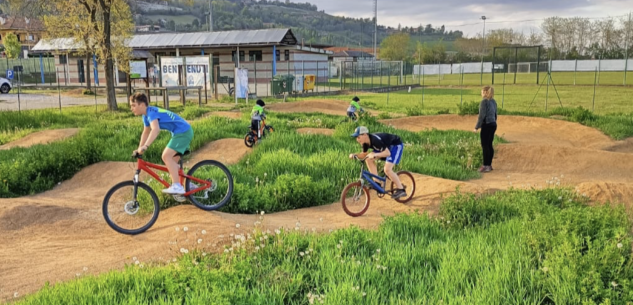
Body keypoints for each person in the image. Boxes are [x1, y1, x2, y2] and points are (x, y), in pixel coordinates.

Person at [129, 92, 194, 194]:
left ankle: (177, 186)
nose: (131, 108)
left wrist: (146, 146)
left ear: (142, 105)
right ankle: (188, 184)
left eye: (133, 105)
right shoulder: (145, 116)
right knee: (172, 163)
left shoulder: (151, 113)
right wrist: (139, 148)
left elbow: (155, 129)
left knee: (166, 156)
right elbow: (146, 132)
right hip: (179, 132)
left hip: (183, 132)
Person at [349, 126, 407, 199]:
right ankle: (377, 183)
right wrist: (354, 155)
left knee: (387, 169)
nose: (357, 140)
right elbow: (364, 154)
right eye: (356, 138)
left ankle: (401, 189)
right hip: (385, 147)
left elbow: (387, 153)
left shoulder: (375, 140)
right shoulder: (365, 143)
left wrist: (375, 154)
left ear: (365, 135)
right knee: (368, 159)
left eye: (358, 137)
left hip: (394, 146)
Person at [473, 86, 498, 173]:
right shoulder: (493, 101)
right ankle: (489, 165)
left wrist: (476, 127)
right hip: (493, 124)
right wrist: (493, 122)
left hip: (486, 124)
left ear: (485, 92)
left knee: (485, 145)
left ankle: (485, 165)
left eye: (482, 92)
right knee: (489, 144)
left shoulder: (484, 102)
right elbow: (495, 114)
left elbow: (481, 116)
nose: (481, 93)